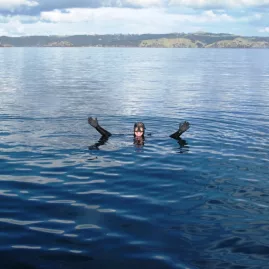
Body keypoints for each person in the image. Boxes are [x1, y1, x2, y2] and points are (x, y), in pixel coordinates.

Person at [88, 117, 190, 149]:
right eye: (136, 129)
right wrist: (97, 127)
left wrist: (180, 132)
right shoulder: (129, 137)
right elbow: (108, 135)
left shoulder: (148, 138)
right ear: (133, 130)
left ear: (144, 131)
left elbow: (170, 137)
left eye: (140, 130)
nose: (138, 132)